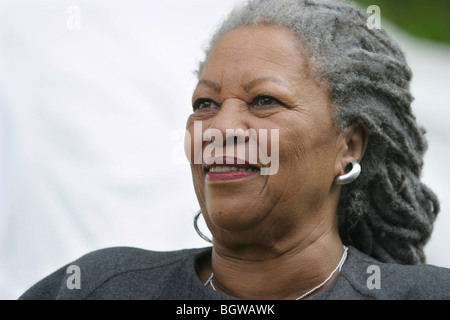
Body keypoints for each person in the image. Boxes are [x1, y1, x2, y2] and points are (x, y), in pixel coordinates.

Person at [19, 0, 450, 300]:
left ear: (349, 146)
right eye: (205, 104)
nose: (220, 128)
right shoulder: (98, 287)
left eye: (264, 101)